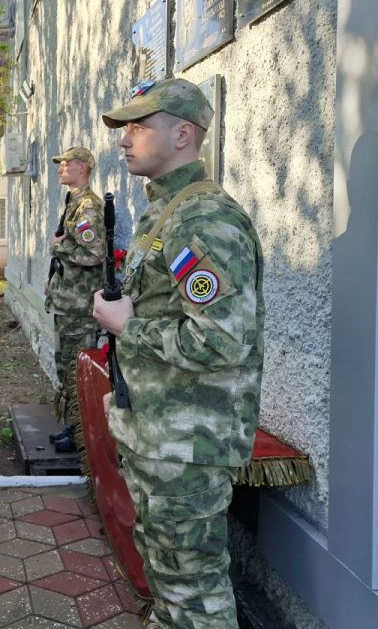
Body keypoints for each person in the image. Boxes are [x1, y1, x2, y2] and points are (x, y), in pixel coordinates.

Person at [92, 78, 265, 628]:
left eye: (139, 127)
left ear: (184, 134)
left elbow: (221, 340)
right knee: (168, 577)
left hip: (188, 446)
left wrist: (127, 326)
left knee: (193, 589)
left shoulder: (203, 219)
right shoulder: (168, 212)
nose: (125, 140)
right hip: (160, 434)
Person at [44, 146, 104, 453]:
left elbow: (94, 254)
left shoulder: (88, 207)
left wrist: (57, 247)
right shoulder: (74, 202)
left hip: (79, 307)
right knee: (66, 368)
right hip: (67, 302)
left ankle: (82, 435)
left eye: (66, 164)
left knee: (78, 370)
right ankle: (74, 428)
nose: (60, 168)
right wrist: (54, 281)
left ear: (83, 168)